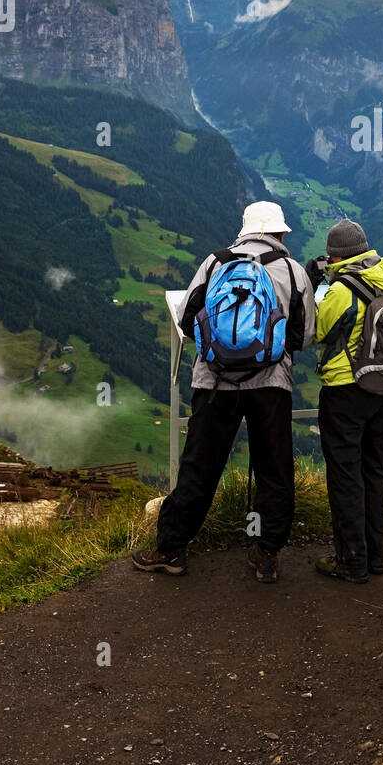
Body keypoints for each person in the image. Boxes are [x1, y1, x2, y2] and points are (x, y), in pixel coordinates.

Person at [132, 201, 315, 584]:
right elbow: (304, 336)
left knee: (200, 466)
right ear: (281, 233)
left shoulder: (215, 263)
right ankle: (266, 554)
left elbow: (187, 319)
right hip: (270, 386)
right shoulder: (294, 272)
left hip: (214, 383)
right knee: (274, 469)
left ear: (244, 230)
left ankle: (170, 550)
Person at [307, 219, 383, 584]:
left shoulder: (340, 291)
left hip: (346, 392)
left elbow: (314, 332)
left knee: (346, 475)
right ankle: (375, 557)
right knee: (375, 471)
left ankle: (351, 560)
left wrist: (315, 282)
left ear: (335, 255)